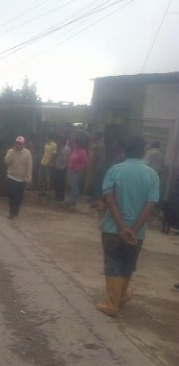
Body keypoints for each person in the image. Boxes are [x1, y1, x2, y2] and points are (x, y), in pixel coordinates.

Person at [96, 136, 159, 317]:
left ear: (124, 150)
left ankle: (112, 305)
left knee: (113, 264)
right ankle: (121, 297)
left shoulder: (115, 170)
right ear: (143, 151)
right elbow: (151, 204)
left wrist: (122, 227)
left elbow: (109, 200)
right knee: (127, 265)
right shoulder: (152, 175)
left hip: (112, 229)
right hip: (137, 233)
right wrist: (133, 229)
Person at [4, 136, 32, 219]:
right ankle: (11, 212)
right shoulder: (10, 151)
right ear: (15, 143)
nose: (19, 145)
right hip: (12, 177)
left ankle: (16, 209)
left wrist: (29, 178)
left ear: (23, 144)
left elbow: (29, 166)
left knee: (20, 197)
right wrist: (13, 151)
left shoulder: (27, 153)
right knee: (12, 195)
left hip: (22, 179)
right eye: (17, 143)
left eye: (20, 144)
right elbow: (6, 161)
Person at [67, 138, 88, 207]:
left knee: (75, 186)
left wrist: (78, 169)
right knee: (71, 185)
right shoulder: (74, 150)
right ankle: (71, 199)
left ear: (78, 144)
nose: (74, 144)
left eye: (75, 143)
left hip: (78, 171)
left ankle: (73, 200)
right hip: (71, 170)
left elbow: (84, 163)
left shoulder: (83, 152)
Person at [89, 132, 106, 204]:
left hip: (98, 167)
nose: (92, 137)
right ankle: (93, 197)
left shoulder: (101, 145)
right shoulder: (96, 144)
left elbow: (102, 158)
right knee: (94, 182)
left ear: (97, 137)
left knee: (97, 183)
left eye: (94, 136)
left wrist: (99, 167)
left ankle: (96, 198)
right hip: (95, 166)